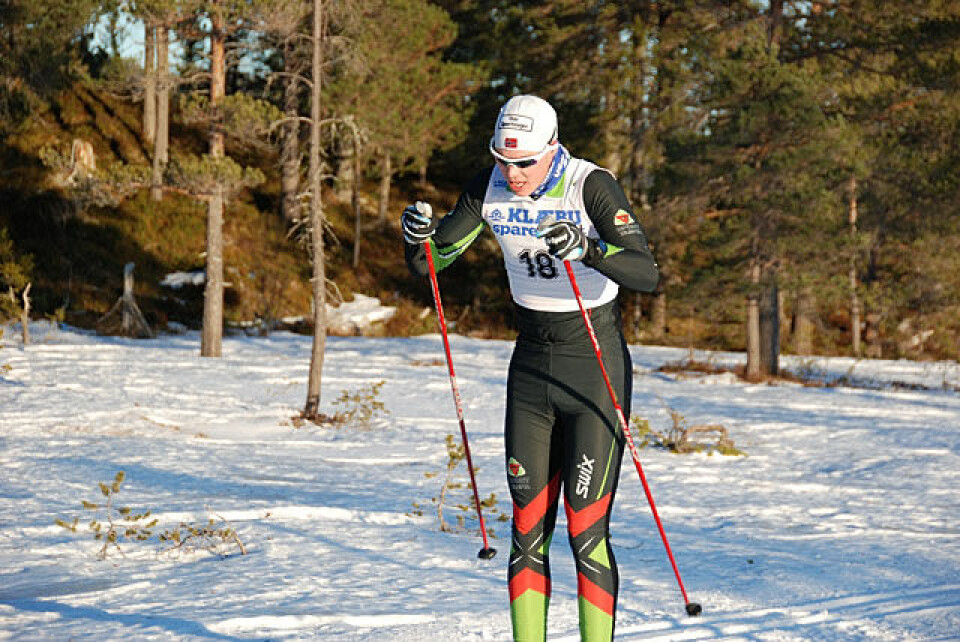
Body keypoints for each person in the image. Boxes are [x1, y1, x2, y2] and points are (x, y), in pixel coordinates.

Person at [401, 94, 659, 642]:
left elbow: (645, 271)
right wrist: (415, 238)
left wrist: (589, 248)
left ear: (553, 150)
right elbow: (432, 262)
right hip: (531, 367)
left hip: (594, 361)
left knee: (586, 531)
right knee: (525, 529)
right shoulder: (488, 186)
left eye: (524, 162)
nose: (511, 173)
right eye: (502, 160)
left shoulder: (591, 184)